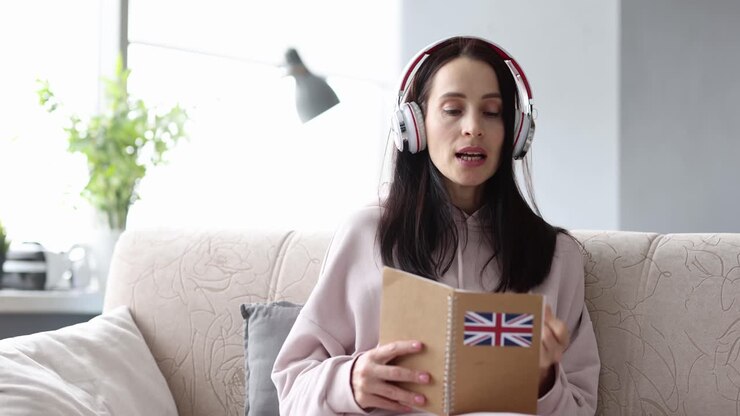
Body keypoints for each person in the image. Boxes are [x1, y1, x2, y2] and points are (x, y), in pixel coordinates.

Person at [272, 35, 600, 415]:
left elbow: (580, 407)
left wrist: (543, 383)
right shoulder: (365, 234)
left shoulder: (556, 256)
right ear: (414, 124)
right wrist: (351, 381)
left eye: (492, 112)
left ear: (515, 133)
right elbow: (291, 389)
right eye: (452, 109)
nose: (473, 127)